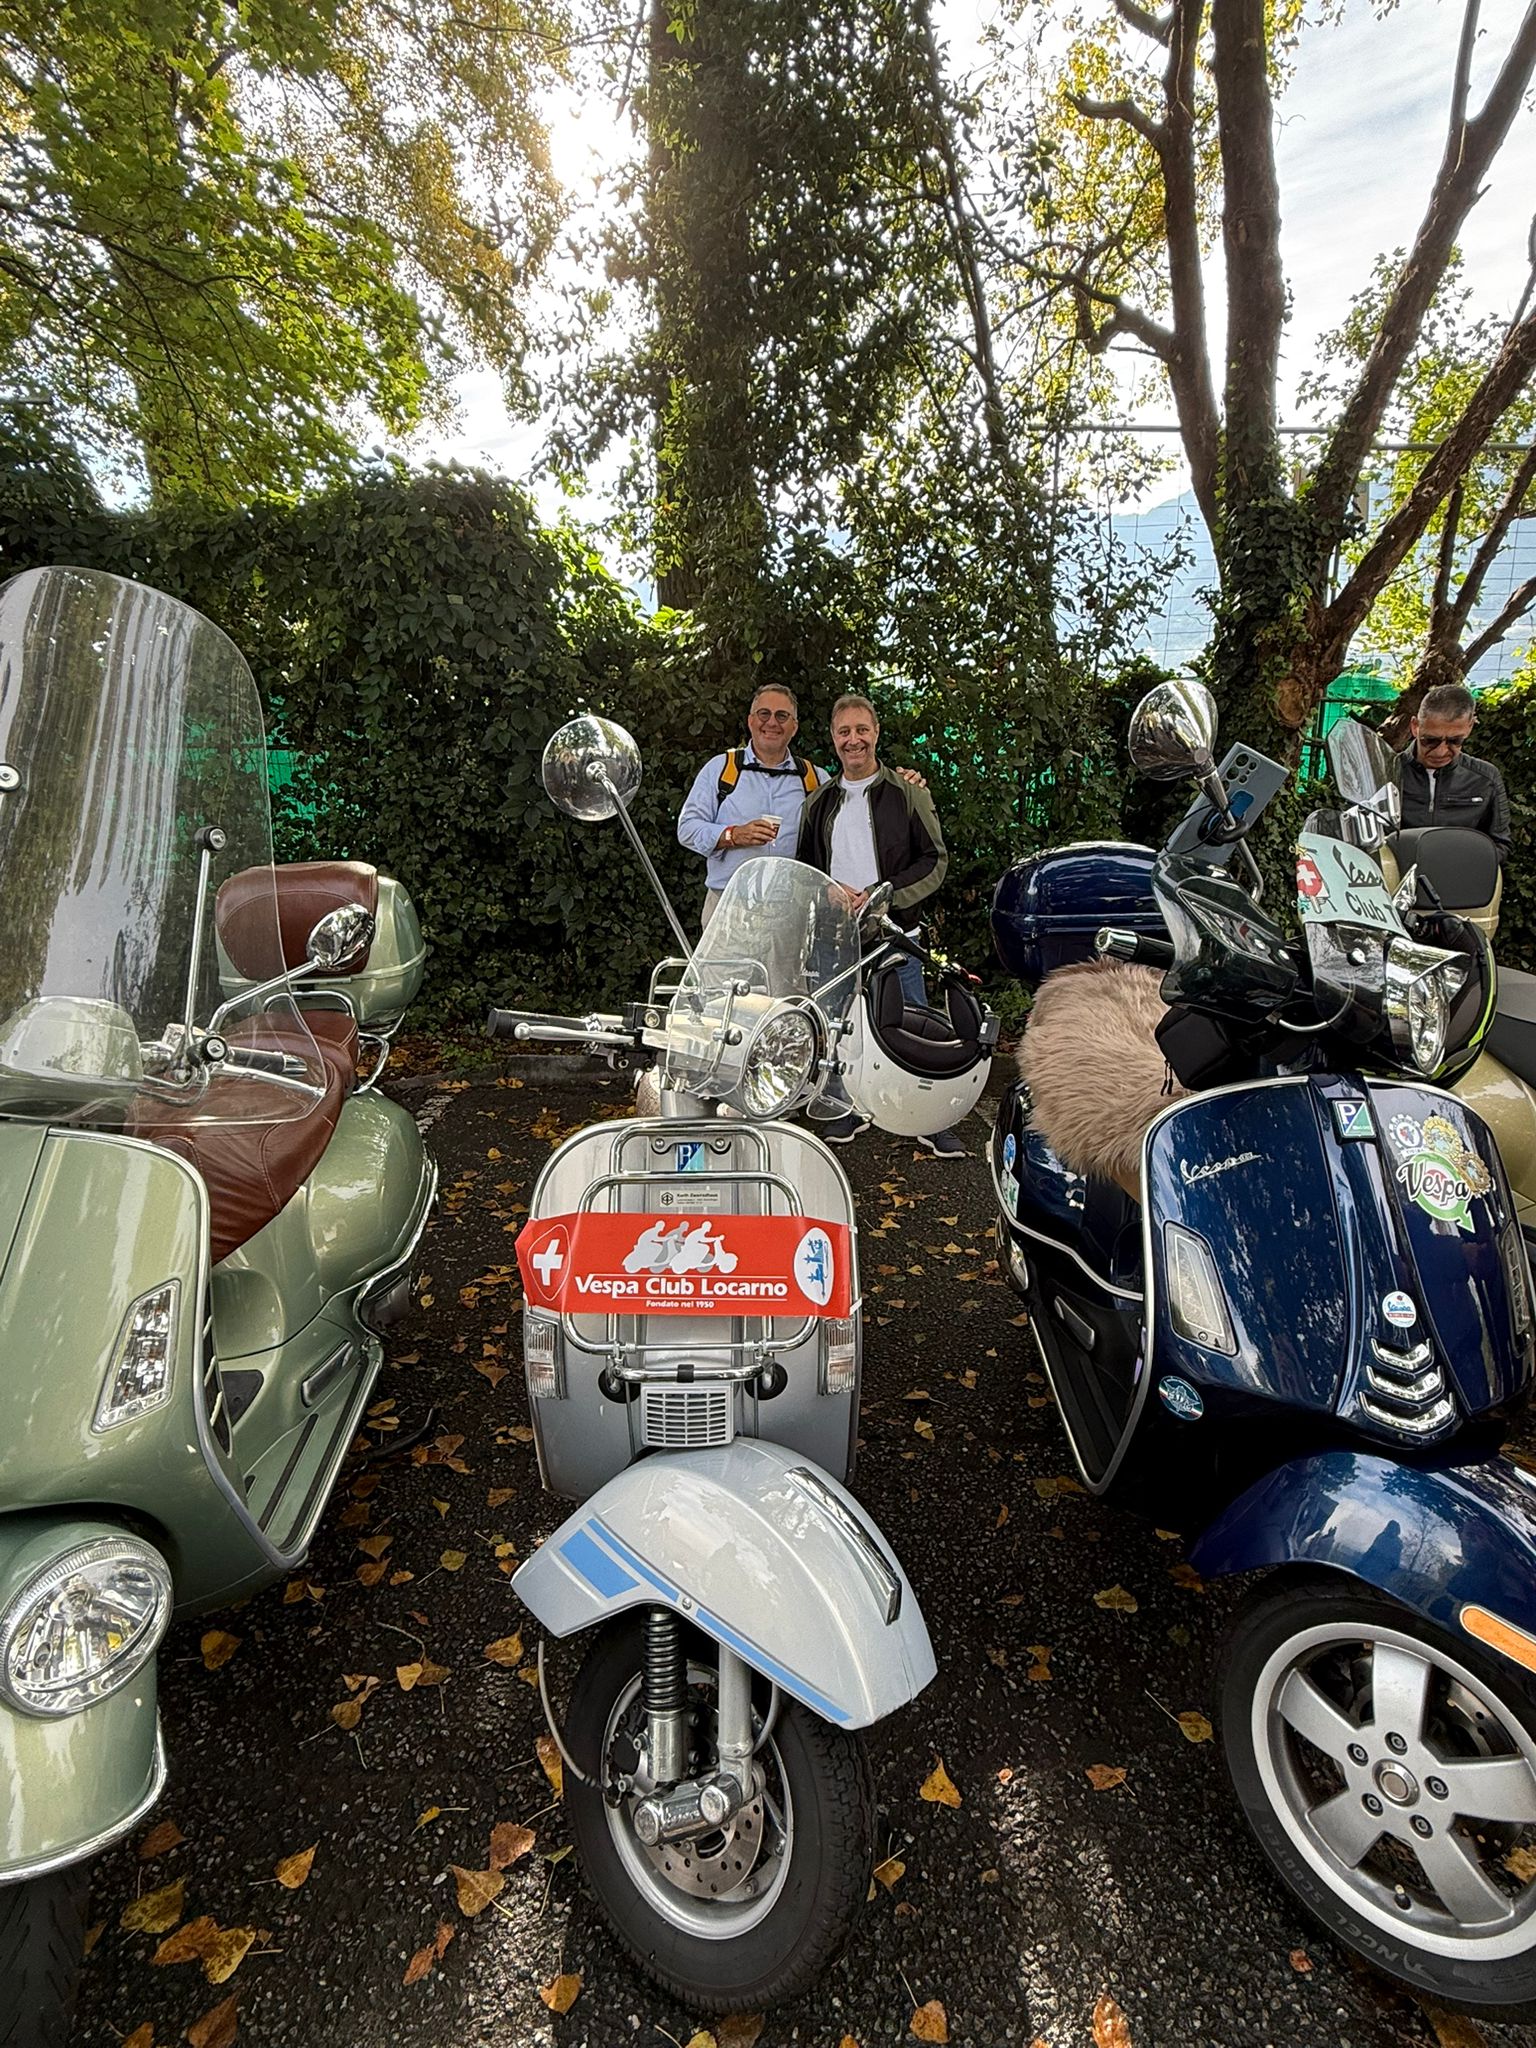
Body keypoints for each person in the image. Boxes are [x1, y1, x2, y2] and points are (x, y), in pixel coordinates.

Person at [796, 692, 966, 1157]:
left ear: (876, 733)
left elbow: (934, 860)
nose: (853, 740)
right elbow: (805, 869)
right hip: (835, 936)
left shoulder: (909, 793)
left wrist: (885, 895)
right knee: (837, 1025)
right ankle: (843, 1107)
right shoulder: (817, 803)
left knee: (913, 1024)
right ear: (833, 738)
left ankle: (927, 1117)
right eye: (844, 732)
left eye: (861, 729)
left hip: (896, 933)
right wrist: (827, 890)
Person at [676, 685, 827, 932]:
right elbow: (687, 829)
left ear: (794, 726)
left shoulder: (814, 778)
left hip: (791, 913)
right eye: (764, 714)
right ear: (750, 721)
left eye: (782, 716)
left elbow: (841, 836)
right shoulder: (721, 769)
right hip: (729, 909)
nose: (772, 722)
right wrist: (733, 835)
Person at [1396, 681, 1511, 862]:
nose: (1441, 751)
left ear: (1469, 727)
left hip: (1460, 875)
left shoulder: (1486, 778)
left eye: (1454, 741)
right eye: (1430, 740)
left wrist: (1459, 865)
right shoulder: (1387, 772)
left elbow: (1500, 844)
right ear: (1415, 727)